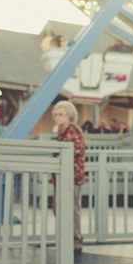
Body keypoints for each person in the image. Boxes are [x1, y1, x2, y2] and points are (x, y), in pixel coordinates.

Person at [51, 100, 86, 255]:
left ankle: (76, 241)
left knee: (72, 208)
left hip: (72, 175)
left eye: (61, 114)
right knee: (57, 207)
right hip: (60, 175)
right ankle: (66, 237)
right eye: (56, 114)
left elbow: (76, 150)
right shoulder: (60, 131)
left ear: (69, 116)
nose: (57, 117)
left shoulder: (73, 130)